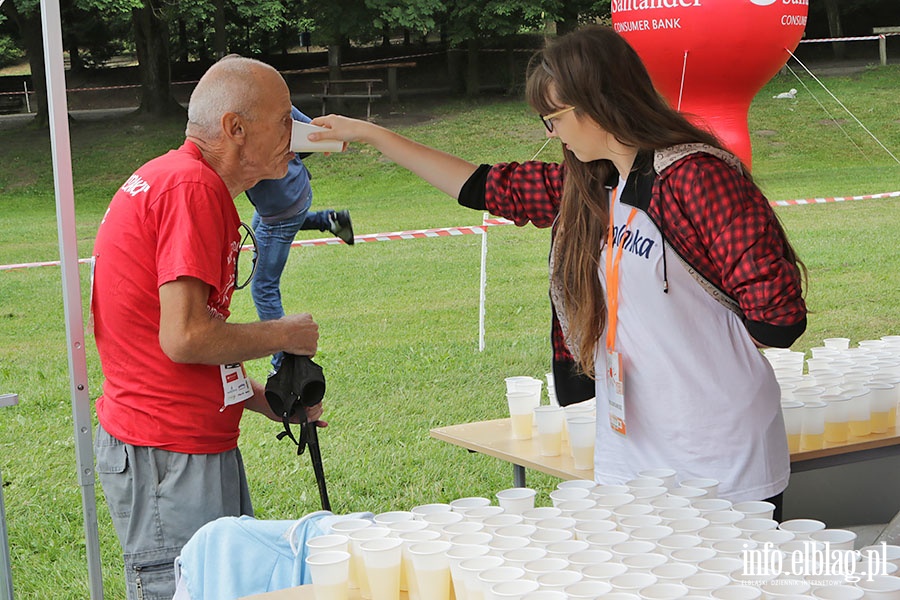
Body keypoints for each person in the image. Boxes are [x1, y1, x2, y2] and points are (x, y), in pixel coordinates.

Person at [308, 25, 807, 514]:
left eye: (555, 117)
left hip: (720, 457)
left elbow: (778, 320)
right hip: (631, 452)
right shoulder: (594, 185)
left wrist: (697, 344)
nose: (551, 133)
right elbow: (481, 187)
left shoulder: (697, 177)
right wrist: (373, 135)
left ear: (598, 102)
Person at [91, 56, 324, 600]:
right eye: (286, 120)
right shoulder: (190, 189)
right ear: (235, 129)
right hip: (167, 450)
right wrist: (282, 334)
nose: (299, 133)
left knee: (222, 584)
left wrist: (264, 398)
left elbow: (180, 337)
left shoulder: (183, 180)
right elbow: (186, 337)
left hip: (181, 443)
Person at [245, 104, 354, 371]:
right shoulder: (275, 99)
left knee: (263, 287)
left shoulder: (237, 120)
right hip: (296, 193)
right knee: (261, 231)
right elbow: (312, 134)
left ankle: (285, 363)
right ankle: (330, 220)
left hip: (282, 208)